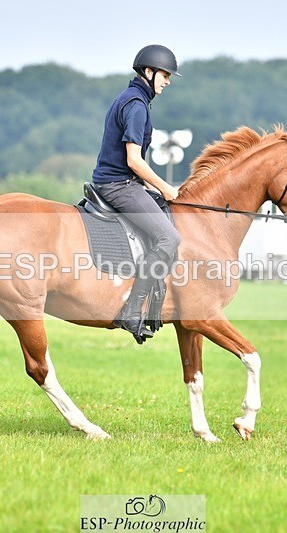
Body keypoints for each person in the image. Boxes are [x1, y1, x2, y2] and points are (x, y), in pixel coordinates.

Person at [92, 44, 182, 343]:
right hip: (118, 186)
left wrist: (145, 184)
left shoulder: (131, 98)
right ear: (149, 71)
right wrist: (164, 187)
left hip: (122, 181)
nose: (167, 81)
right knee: (170, 237)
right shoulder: (136, 105)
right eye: (165, 74)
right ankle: (132, 310)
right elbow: (134, 159)